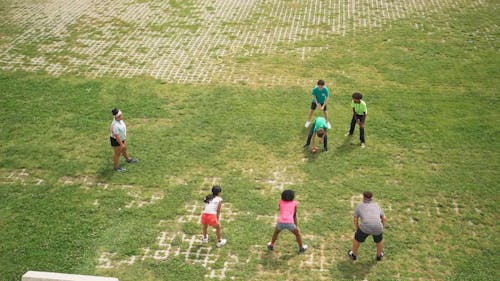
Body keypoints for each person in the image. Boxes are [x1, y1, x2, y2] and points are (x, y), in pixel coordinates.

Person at [348, 191, 386, 261]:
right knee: (379, 241)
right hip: (378, 227)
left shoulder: (359, 206)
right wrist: (381, 227)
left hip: (365, 227)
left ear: (363, 197)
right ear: (372, 198)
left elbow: (355, 218)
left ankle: (354, 255)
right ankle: (379, 256)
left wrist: (357, 229)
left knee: (356, 240)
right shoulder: (376, 205)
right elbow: (384, 218)